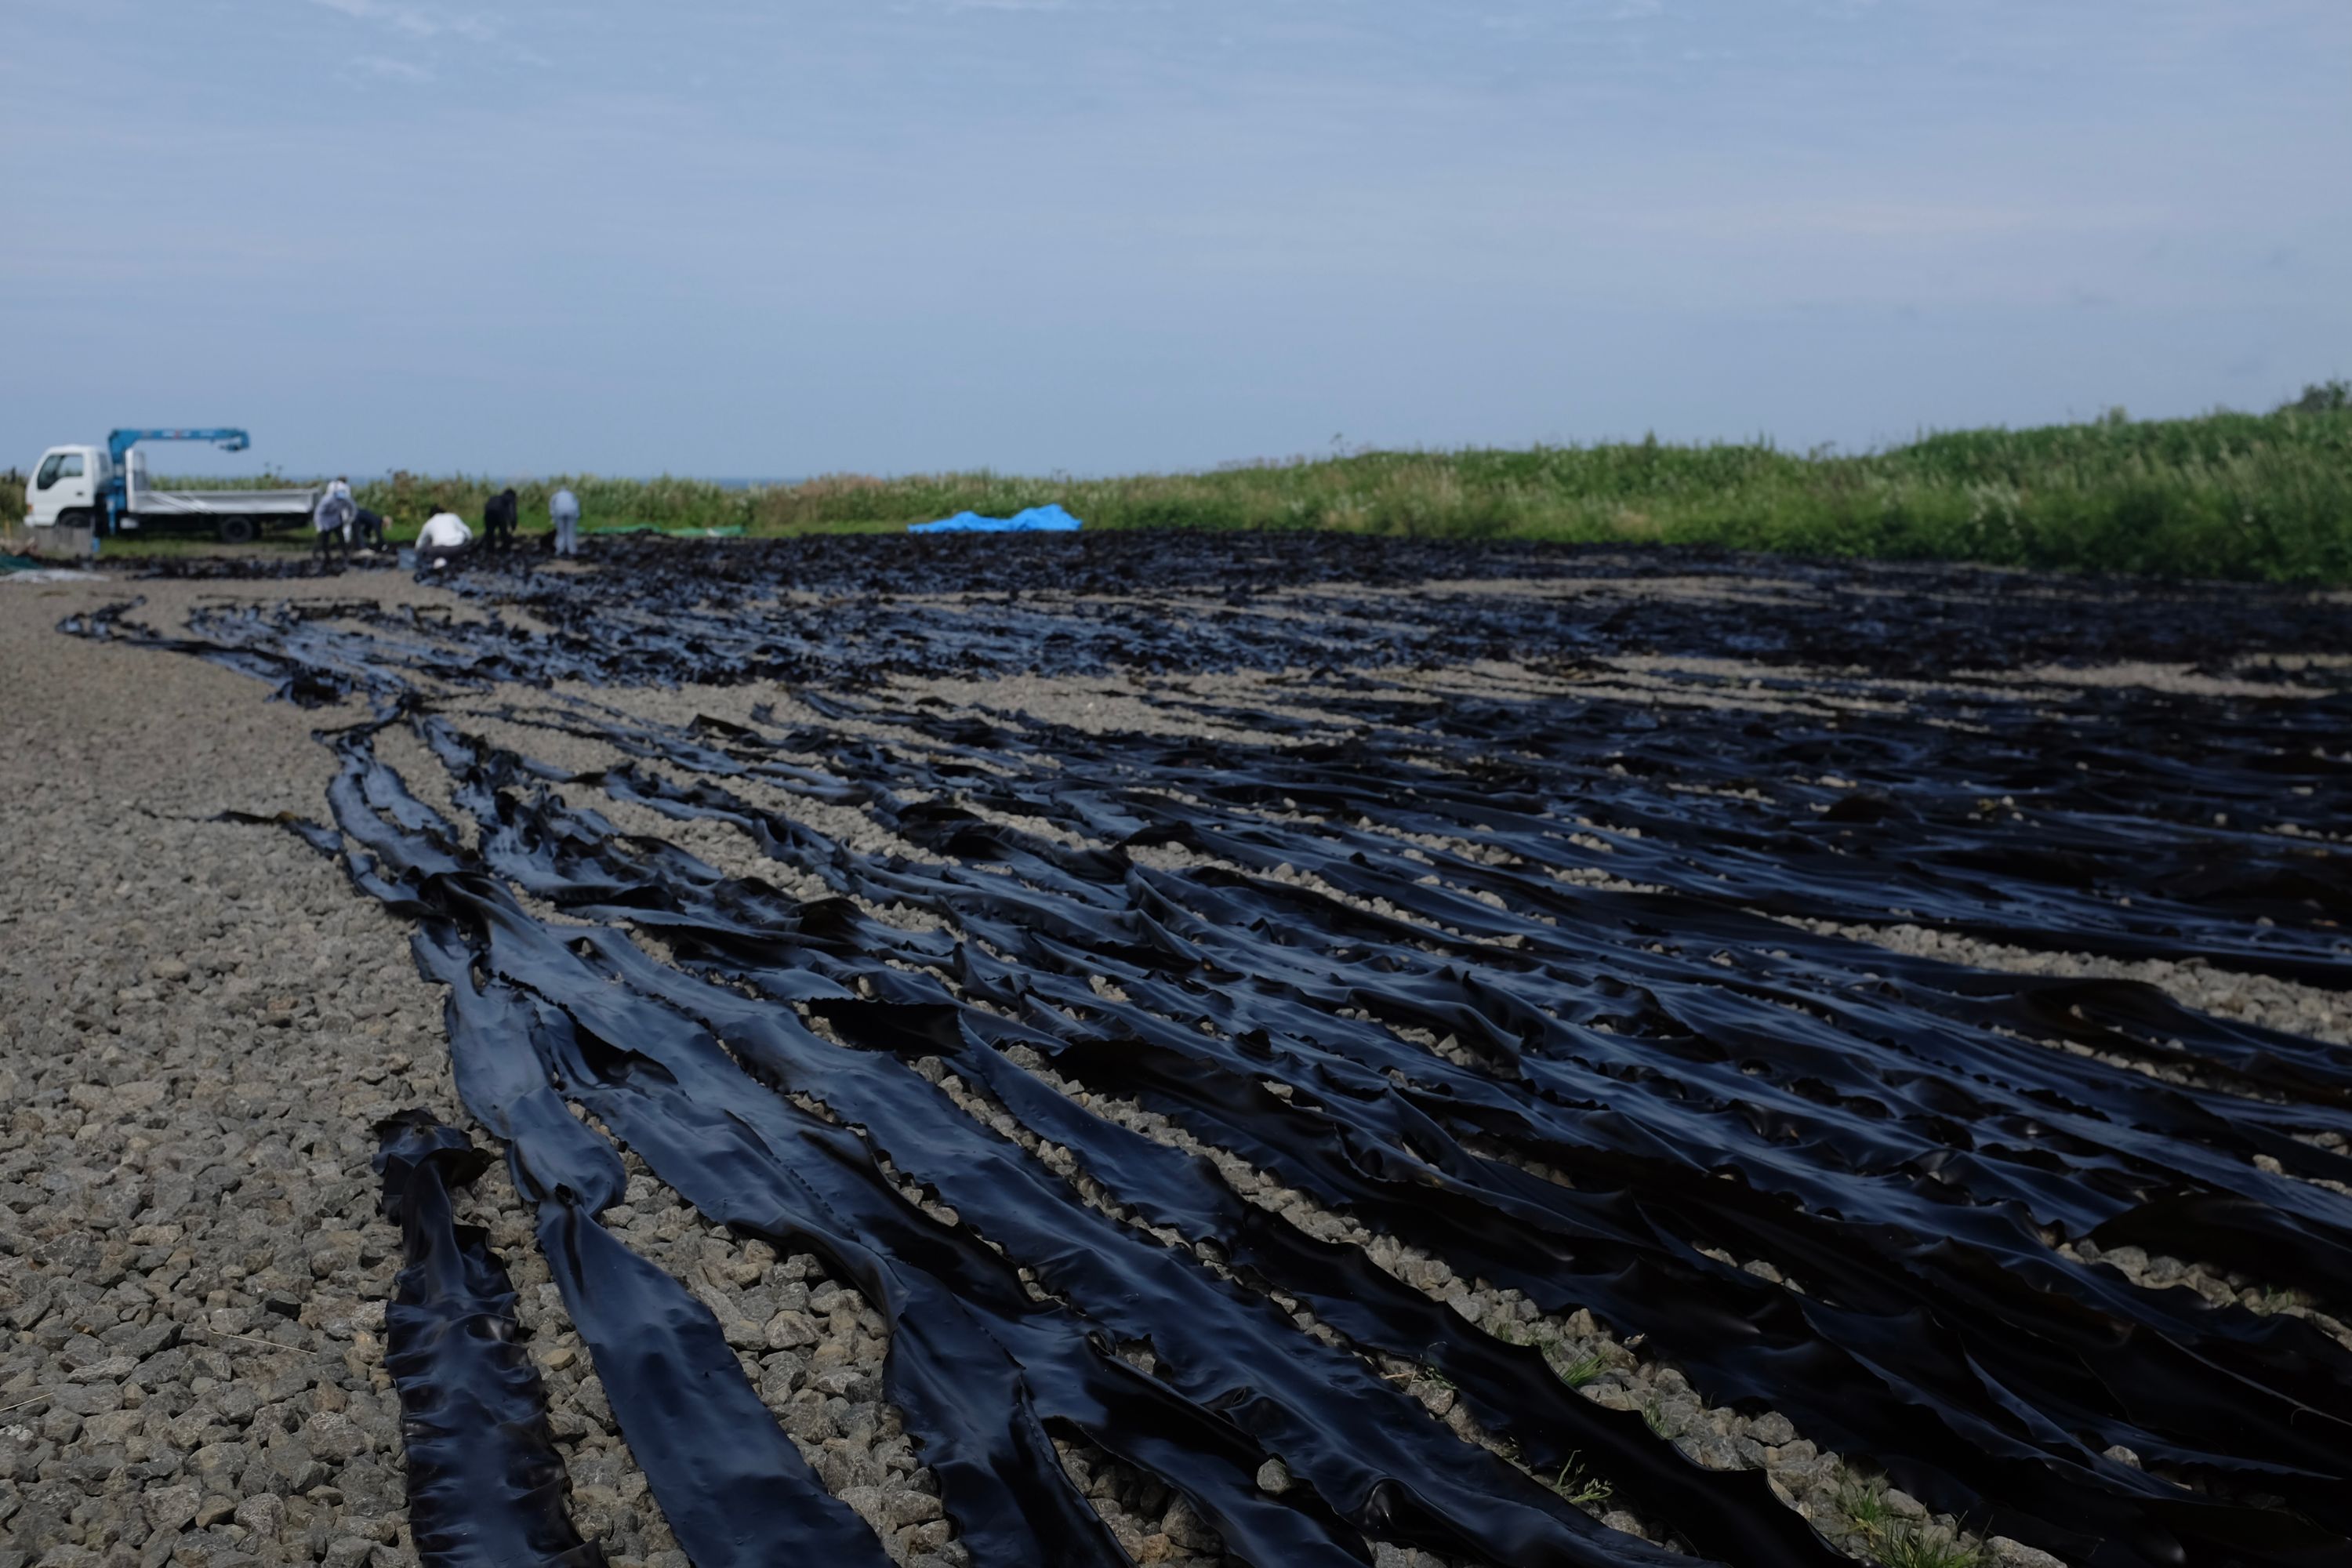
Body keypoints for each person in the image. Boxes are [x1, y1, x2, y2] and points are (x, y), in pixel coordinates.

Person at [312, 484, 356, 570]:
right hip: (325, 522)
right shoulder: (327, 500)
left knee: (341, 539)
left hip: (336, 521)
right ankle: (323, 557)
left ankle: (346, 556)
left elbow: (352, 507)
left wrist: (351, 518)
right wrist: (319, 526)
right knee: (323, 541)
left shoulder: (345, 500)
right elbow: (318, 513)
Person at [416, 508, 474, 572]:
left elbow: (420, 542)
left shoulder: (429, 523)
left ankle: (439, 563)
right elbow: (466, 531)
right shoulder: (453, 517)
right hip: (458, 547)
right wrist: (470, 542)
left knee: (428, 546)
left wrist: (417, 552)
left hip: (440, 550)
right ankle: (458, 561)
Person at [484, 487, 519, 552]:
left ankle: (490, 550)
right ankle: (505, 549)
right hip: (498, 514)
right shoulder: (510, 499)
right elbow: (512, 513)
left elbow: (486, 506)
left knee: (490, 533)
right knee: (503, 532)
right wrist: (513, 525)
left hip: (488, 514)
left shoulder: (494, 498)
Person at [548, 486, 581, 557]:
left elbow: (552, 506)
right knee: (570, 532)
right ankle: (572, 551)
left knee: (561, 533)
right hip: (571, 512)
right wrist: (577, 515)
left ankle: (560, 550)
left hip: (559, 512)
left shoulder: (556, 495)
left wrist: (553, 517)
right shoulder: (571, 494)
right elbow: (576, 504)